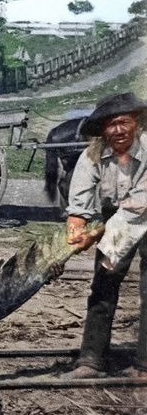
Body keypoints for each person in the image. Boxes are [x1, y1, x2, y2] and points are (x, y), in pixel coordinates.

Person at [64, 92, 147, 379]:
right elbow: (79, 205)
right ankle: (90, 360)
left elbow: (138, 205)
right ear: (102, 130)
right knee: (103, 283)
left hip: (142, 211)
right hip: (117, 219)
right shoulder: (92, 156)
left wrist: (98, 234)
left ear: (136, 122)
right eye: (111, 125)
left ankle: (144, 365)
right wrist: (77, 234)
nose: (118, 130)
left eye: (124, 122)